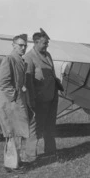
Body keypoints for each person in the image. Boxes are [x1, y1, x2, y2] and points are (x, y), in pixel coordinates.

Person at [0, 34, 37, 173]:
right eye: (20, 45)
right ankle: (11, 165)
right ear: (13, 45)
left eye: (25, 45)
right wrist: (15, 95)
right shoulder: (9, 59)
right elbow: (2, 82)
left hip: (16, 100)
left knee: (17, 131)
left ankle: (16, 162)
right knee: (11, 132)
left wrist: (21, 90)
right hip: (9, 101)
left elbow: (18, 81)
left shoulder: (20, 60)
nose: (23, 47)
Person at [24, 28, 63, 157]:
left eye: (47, 43)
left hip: (52, 96)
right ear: (36, 42)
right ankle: (30, 155)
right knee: (35, 128)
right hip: (39, 100)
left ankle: (51, 151)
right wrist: (32, 100)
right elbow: (28, 81)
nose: (47, 45)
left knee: (50, 126)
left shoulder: (48, 55)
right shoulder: (28, 58)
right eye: (44, 43)